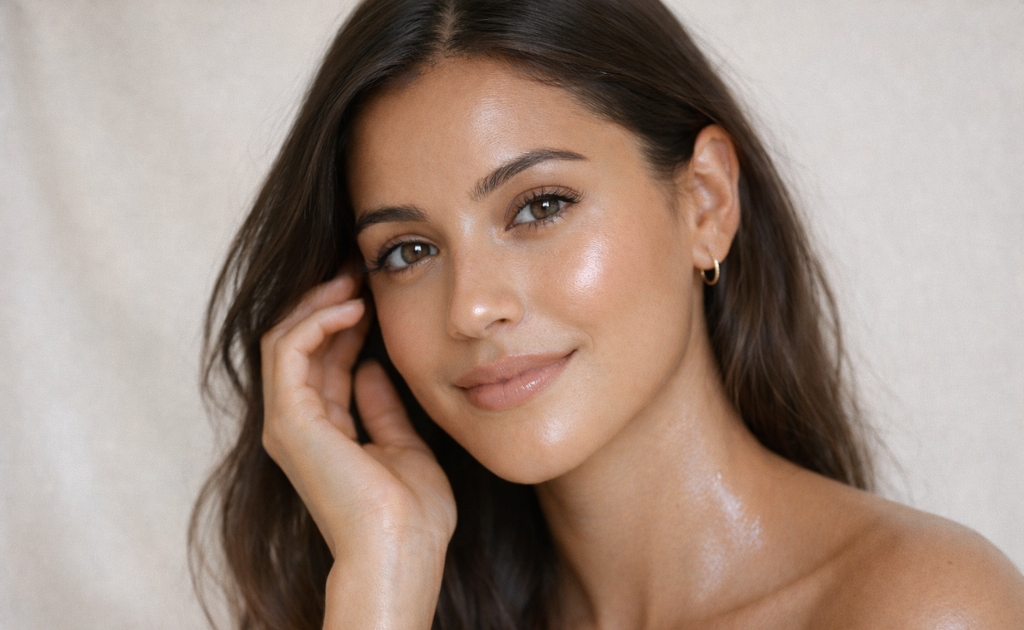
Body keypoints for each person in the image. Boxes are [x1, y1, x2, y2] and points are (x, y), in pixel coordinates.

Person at [190, 0, 1024, 628]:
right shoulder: (405, 601)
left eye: (539, 205)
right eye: (408, 252)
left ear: (704, 203)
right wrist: (382, 574)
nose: (474, 307)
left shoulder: (920, 607)